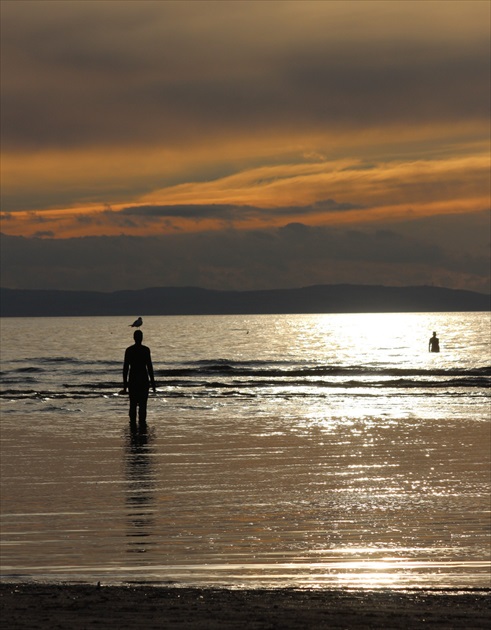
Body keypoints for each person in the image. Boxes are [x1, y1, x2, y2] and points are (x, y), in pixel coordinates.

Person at [123, 330, 156, 424]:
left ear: (134, 338)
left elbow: (125, 369)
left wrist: (125, 385)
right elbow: (150, 367)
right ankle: (141, 424)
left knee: (133, 404)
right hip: (143, 380)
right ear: (141, 338)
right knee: (143, 405)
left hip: (133, 380)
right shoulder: (145, 350)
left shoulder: (129, 350)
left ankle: (133, 424)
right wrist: (153, 384)